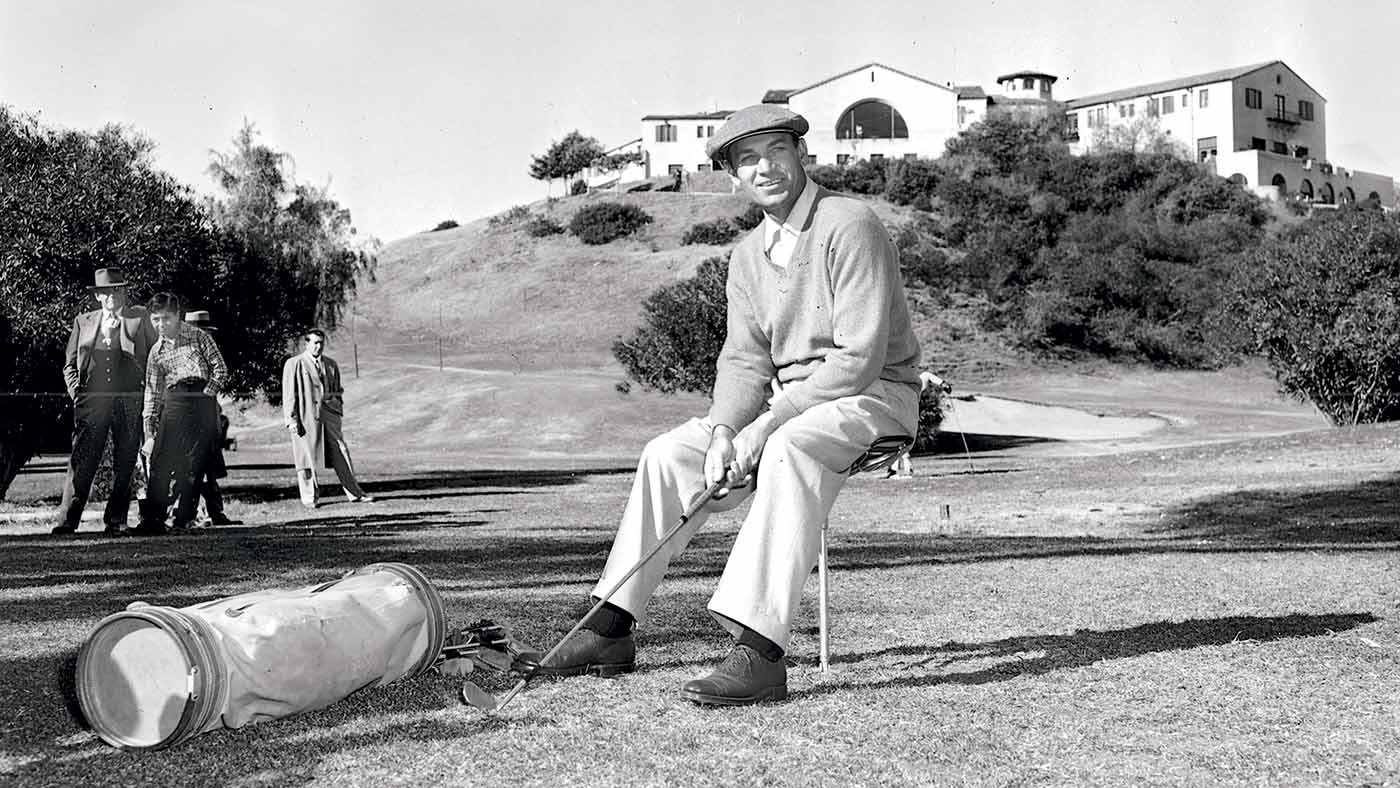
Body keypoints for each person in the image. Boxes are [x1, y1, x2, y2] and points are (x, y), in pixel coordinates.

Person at [517, 105, 923, 706]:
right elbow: (743, 362)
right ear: (733, 176)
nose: (765, 168)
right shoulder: (747, 255)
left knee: (787, 446)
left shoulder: (850, 224)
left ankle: (760, 653)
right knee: (668, 454)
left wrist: (766, 426)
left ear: (801, 154)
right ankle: (609, 628)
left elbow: (858, 358)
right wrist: (725, 431)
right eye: (747, 159)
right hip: (793, 405)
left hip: (875, 396)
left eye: (776, 151)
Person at [53, 268, 159, 536]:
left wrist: (148, 392)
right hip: (92, 401)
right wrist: (77, 393)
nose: (112, 295)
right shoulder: (83, 321)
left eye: (117, 290)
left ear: (124, 293)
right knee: (82, 460)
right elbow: (69, 364)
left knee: (125, 460)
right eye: (106, 292)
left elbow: (156, 356)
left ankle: (116, 521)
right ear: (98, 296)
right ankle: (67, 522)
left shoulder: (138, 318)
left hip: (129, 399)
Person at [137, 293, 229, 534]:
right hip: (174, 402)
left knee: (194, 465)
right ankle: (153, 520)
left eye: (166, 318)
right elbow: (152, 393)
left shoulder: (198, 336)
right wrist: (149, 432)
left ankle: (183, 519)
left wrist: (206, 396)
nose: (161, 324)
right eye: (155, 319)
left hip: (201, 399)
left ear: (178, 315)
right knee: (160, 461)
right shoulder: (156, 352)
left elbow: (220, 369)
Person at [281, 329, 373, 508]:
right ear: (306, 343)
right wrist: (291, 420)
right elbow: (289, 394)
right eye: (315, 343)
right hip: (305, 416)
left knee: (341, 451)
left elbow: (338, 390)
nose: (319, 346)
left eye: (321, 343)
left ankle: (355, 493)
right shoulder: (294, 364)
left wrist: (336, 407)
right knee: (305, 457)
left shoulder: (331, 364)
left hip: (330, 415)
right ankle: (309, 498)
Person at [183, 310, 241, 526]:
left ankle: (215, 512)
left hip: (209, 416)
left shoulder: (209, 356)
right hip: (188, 419)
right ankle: (190, 514)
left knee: (209, 469)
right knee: (190, 469)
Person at [887, 371, 953, 479]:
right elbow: (926, 376)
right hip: (904, 416)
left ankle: (901, 470)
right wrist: (943, 384)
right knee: (898, 444)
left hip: (904, 417)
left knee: (899, 444)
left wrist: (942, 384)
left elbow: (925, 376)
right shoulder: (909, 387)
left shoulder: (909, 388)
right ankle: (897, 470)